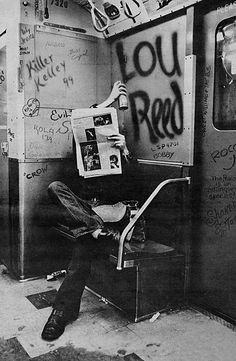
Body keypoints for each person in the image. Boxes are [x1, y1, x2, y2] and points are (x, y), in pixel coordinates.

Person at [41, 81, 141, 342]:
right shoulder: (81, 152)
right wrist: (106, 102)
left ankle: (61, 313)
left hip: (113, 209)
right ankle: (95, 229)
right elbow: (81, 121)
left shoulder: (123, 153)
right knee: (55, 187)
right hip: (88, 210)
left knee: (82, 245)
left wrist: (126, 152)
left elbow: (137, 188)